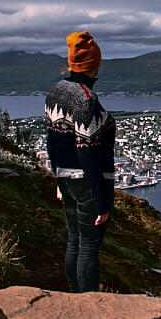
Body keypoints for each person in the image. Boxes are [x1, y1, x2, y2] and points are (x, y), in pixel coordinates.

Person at [45, 32, 116, 292]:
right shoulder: (86, 99)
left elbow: (51, 141)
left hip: (66, 178)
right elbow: (87, 152)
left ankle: (74, 298)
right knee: (89, 248)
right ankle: (87, 304)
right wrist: (101, 200)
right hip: (89, 184)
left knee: (73, 241)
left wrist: (59, 178)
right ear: (94, 65)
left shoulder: (56, 92)